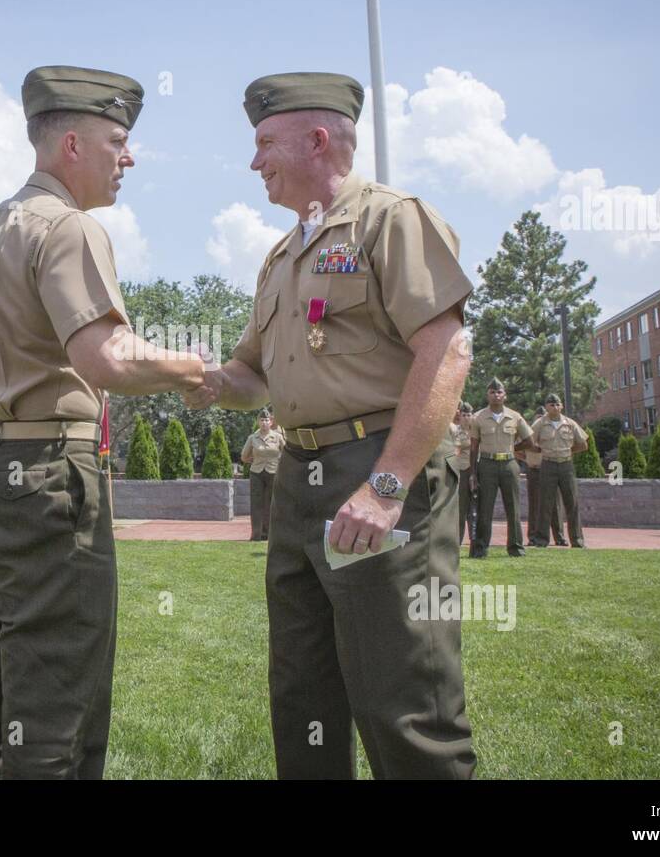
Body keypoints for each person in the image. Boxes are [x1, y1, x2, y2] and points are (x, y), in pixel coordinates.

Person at [187, 72, 476, 779]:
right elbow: (255, 378)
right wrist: (206, 381)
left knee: (402, 697)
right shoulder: (280, 257)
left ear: (318, 139)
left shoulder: (391, 219)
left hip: (373, 469)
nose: (254, 163)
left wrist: (386, 484)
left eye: (264, 143)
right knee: (303, 697)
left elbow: (445, 349)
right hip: (299, 481)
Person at [0, 65, 209, 779]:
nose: (131, 158)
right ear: (72, 148)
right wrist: (195, 372)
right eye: (118, 141)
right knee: (59, 697)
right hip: (49, 477)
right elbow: (107, 358)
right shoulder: (69, 228)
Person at [469, 378, 536, 557]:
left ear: (504, 395)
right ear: (487, 395)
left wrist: (513, 449)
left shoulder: (515, 416)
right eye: (492, 392)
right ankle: (481, 548)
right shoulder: (478, 417)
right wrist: (473, 474)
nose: (496, 395)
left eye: (499, 392)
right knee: (485, 508)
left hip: (509, 464)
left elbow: (530, 441)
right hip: (487, 464)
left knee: (513, 507)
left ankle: (515, 548)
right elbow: (474, 447)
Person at [532, 393, 589, 548]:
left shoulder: (569, 423)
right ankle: (541, 539)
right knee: (545, 503)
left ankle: (577, 540)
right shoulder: (540, 424)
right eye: (551, 404)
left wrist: (569, 451)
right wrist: (542, 450)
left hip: (566, 465)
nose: (555, 407)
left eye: (557, 404)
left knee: (572, 503)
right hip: (548, 464)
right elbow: (529, 441)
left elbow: (583, 444)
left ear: (561, 406)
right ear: (546, 407)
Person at [520, 405, 564, 547]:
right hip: (534, 471)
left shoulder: (551, 433)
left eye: (542, 417)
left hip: (551, 469)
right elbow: (515, 448)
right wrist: (526, 459)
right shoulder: (528, 434)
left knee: (555, 506)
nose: (540, 420)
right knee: (534, 506)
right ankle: (533, 536)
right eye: (538, 417)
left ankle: (560, 537)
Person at [241, 410, 284, 541]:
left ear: (271, 422)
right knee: (256, 503)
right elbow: (244, 456)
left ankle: (269, 534)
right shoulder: (252, 438)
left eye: (267, 420)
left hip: (273, 472)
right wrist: (253, 460)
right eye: (262, 420)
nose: (264, 423)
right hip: (257, 473)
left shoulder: (277, 437)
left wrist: (279, 462)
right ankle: (256, 534)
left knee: (271, 503)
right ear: (258, 422)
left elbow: (287, 453)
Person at [451, 401, 474, 545]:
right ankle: (457, 540)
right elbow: (456, 450)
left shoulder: (477, 430)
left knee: (475, 507)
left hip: (477, 470)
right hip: (462, 470)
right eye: (464, 414)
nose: (466, 417)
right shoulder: (456, 431)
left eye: (469, 414)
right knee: (461, 507)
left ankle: (475, 539)